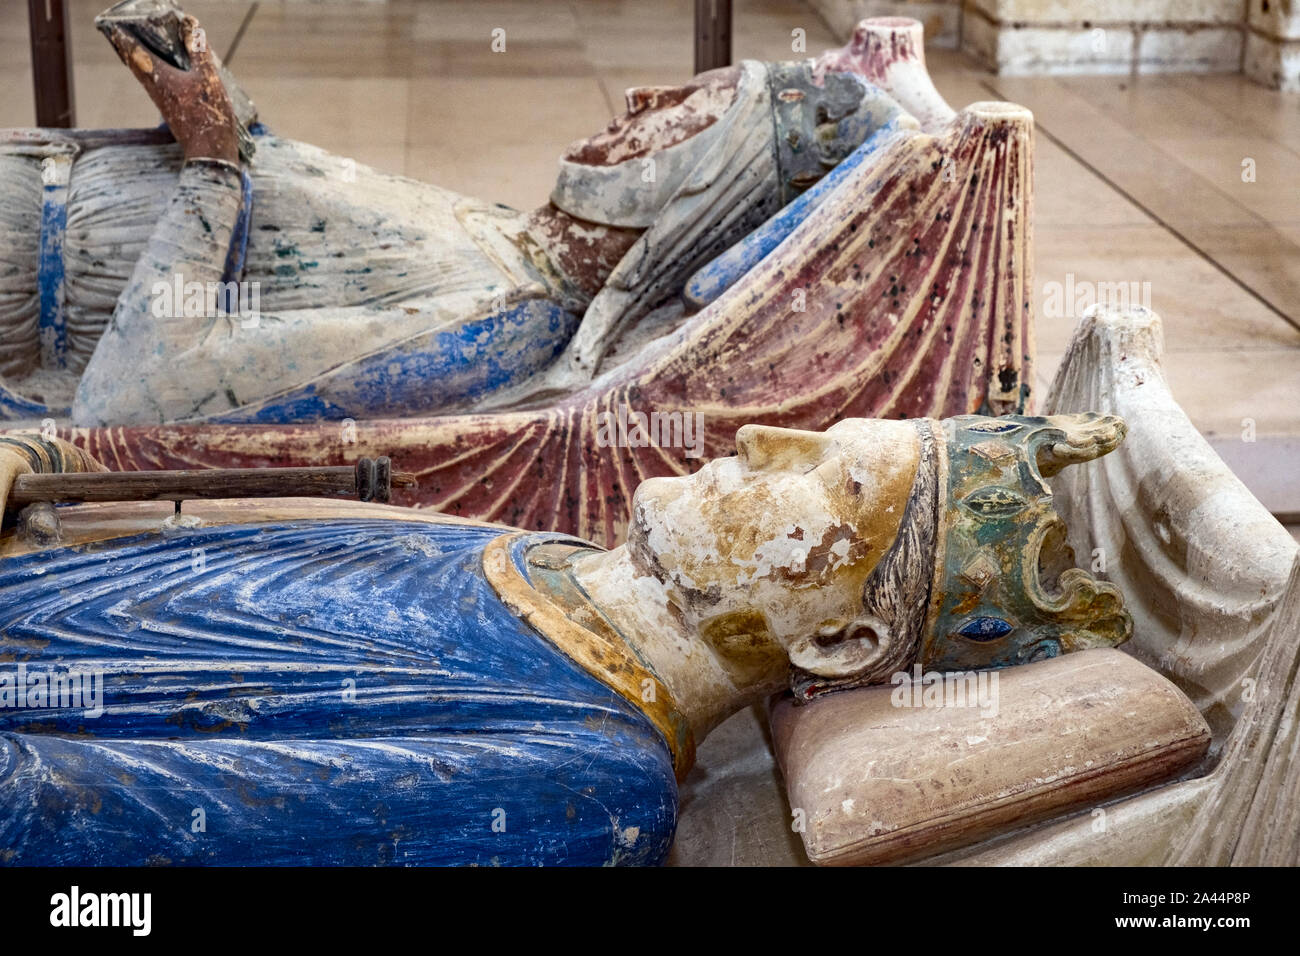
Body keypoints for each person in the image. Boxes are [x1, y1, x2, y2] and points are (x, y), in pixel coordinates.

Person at [0, 410, 1129, 865]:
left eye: (827, 470)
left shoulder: (586, 779)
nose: (758, 434)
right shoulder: (546, 558)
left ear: (836, 641)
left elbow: (91, 826)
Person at [0, 2, 917, 425]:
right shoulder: (512, 249)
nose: (645, 94)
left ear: (703, 187)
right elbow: (299, 231)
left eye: (694, 101)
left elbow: (135, 401)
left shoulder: (502, 321)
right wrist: (232, 119)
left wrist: (210, 161)